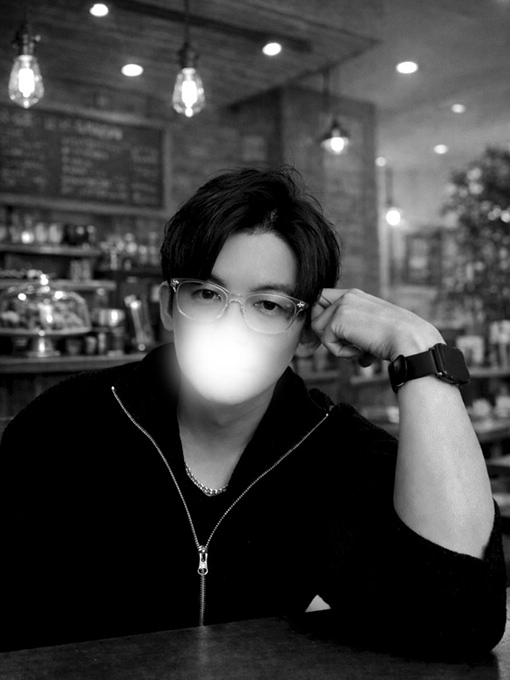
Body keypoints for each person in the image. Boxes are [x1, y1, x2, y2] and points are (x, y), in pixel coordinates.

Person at [0, 165, 506, 656]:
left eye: (268, 305)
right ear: (168, 307)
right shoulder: (64, 426)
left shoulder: (328, 448)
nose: (232, 327)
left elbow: (462, 618)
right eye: (207, 294)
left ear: (306, 332)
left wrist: (419, 347)